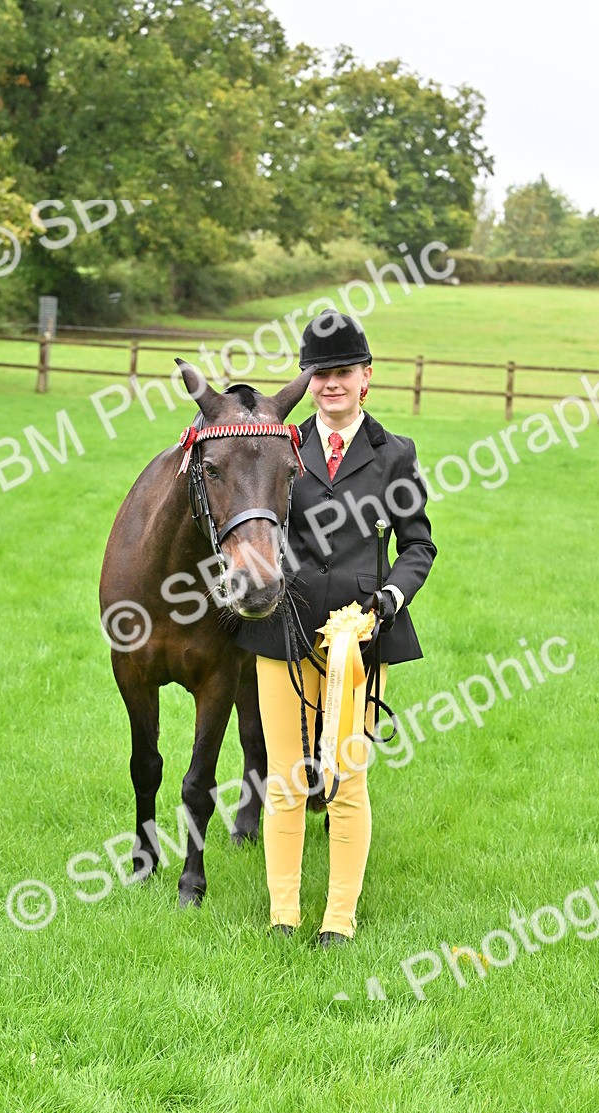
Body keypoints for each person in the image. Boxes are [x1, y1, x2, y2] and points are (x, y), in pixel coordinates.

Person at [235, 309, 437, 945]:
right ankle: (283, 916)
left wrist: (389, 602)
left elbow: (418, 546)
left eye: (343, 372)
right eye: (320, 374)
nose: (330, 384)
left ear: (366, 377)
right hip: (283, 633)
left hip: (359, 639)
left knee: (347, 782)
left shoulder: (393, 455)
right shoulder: (281, 449)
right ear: (309, 380)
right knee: (287, 779)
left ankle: (339, 922)